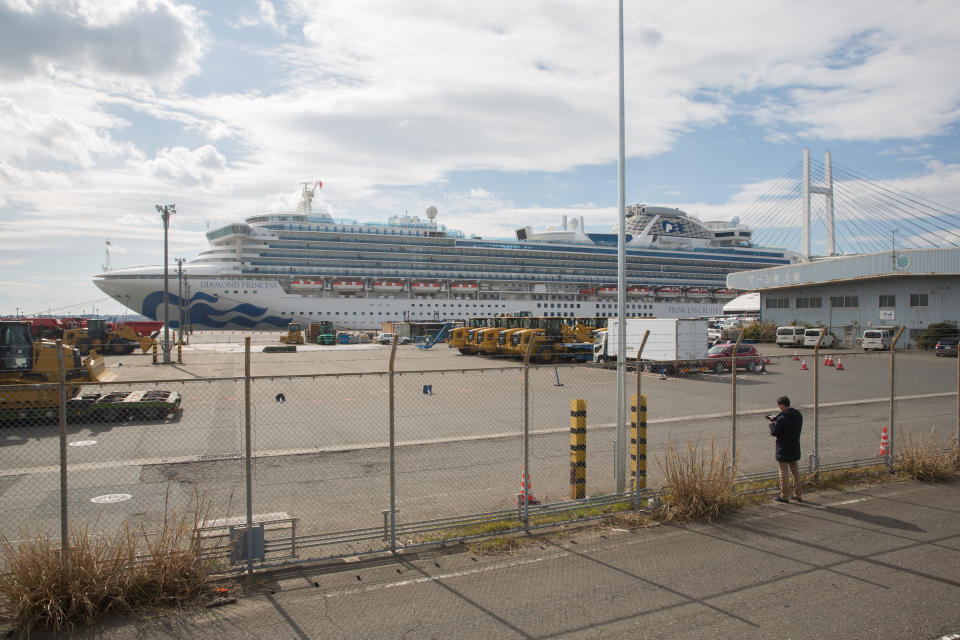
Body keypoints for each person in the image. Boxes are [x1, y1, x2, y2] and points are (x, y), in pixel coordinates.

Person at [767, 396, 802, 503]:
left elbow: (774, 432)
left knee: (783, 472)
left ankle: (785, 495)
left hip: (783, 448)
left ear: (781, 405)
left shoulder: (781, 419)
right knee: (795, 471)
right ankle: (798, 494)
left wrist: (772, 423)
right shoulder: (798, 415)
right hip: (794, 446)